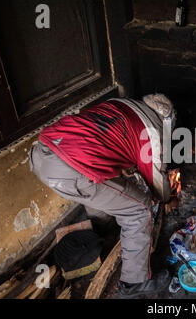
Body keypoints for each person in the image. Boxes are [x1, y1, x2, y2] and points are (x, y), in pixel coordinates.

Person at [29, 94, 175, 297]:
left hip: (42, 153)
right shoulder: (153, 132)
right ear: (165, 121)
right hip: (72, 169)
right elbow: (157, 183)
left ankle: (100, 231)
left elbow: (104, 139)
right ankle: (134, 282)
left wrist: (121, 168)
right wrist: (166, 197)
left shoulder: (120, 104)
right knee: (139, 209)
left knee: (98, 189)